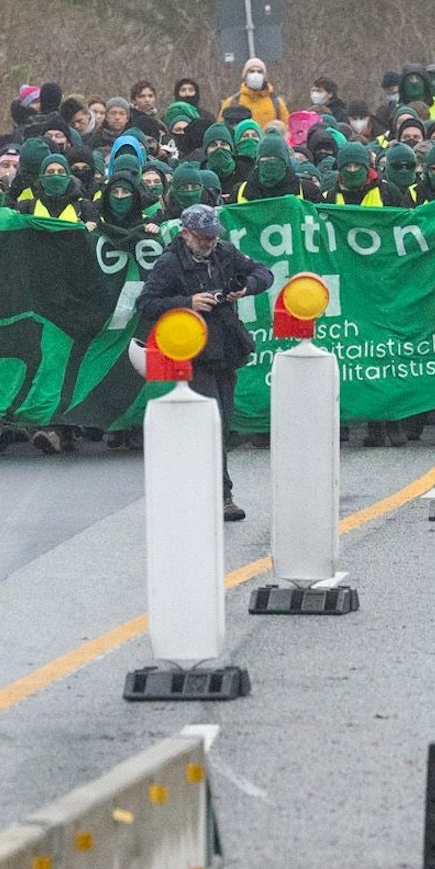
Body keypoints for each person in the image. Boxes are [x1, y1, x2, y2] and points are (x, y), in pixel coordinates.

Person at [134, 205, 272, 522]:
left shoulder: (225, 252)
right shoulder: (170, 263)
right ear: (185, 233)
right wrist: (188, 303)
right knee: (209, 424)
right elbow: (146, 304)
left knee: (222, 424)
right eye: (203, 237)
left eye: (213, 236)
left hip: (226, 347)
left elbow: (263, 273)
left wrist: (244, 288)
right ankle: (219, 495)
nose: (209, 242)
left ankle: (210, 492)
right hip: (193, 353)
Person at [222, 57, 287, 126]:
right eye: (251, 71)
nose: (256, 75)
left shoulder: (276, 103)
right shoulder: (232, 103)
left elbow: (286, 128)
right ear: (245, 76)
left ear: (264, 76)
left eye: (259, 72)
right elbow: (222, 130)